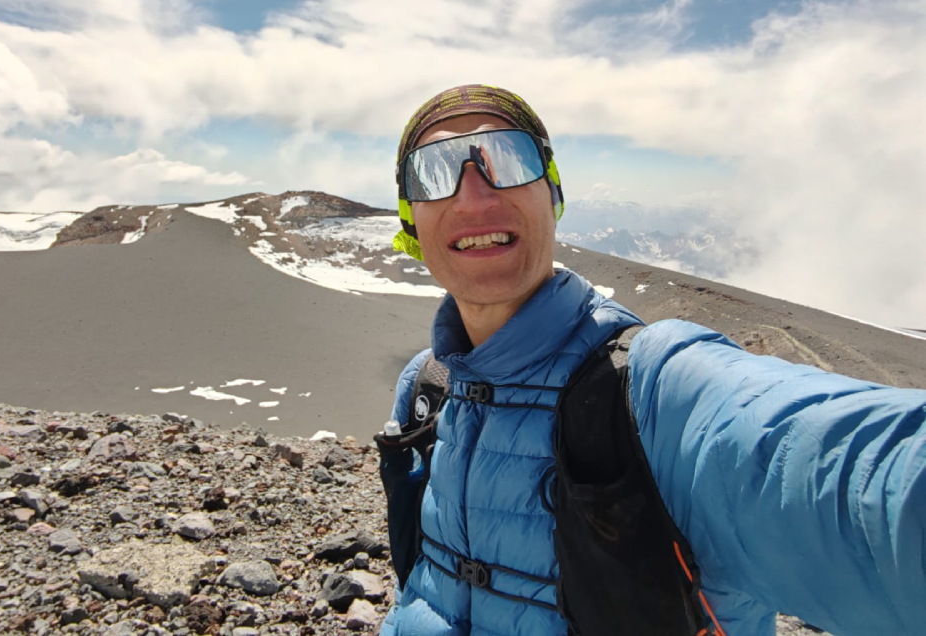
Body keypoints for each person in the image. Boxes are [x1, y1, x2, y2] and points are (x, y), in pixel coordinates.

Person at [378, 84, 926, 636]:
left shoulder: (656, 394)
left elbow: (855, 476)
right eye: (434, 171)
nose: (474, 196)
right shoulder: (428, 390)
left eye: (509, 158)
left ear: (553, 195)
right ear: (411, 223)